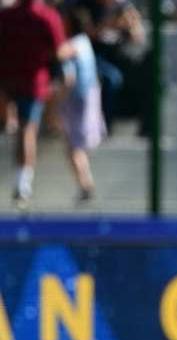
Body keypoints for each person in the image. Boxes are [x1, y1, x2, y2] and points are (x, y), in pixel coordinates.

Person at [0, 0, 73, 207]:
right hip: (32, 82)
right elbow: (59, 51)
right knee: (28, 131)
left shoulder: (6, 16)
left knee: (23, 131)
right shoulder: (47, 16)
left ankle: (21, 181)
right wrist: (73, 50)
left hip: (8, 81)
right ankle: (23, 184)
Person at [59, 8, 106, 203]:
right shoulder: (85, 42)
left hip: (77, 98)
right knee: (77, 143)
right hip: (89, 94)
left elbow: (68, 78)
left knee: (74, 146)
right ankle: (86, 182)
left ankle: (86, 185)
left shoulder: (71, 46)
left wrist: (55, 103)